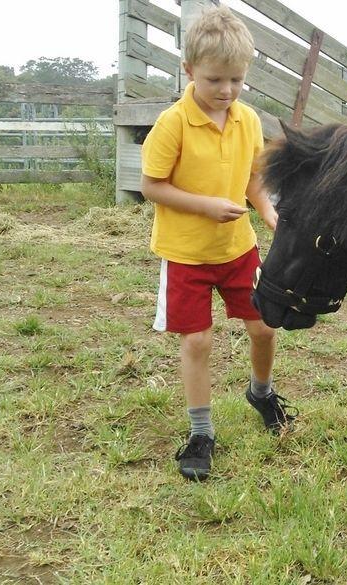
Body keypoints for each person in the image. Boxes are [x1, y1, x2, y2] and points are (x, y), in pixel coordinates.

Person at [140, 6, 296, 481]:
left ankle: (262, 393)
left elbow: (252, 181)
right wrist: (205, 205)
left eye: (236, 79)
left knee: (265, 327)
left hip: (237, 250)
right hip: (185, 254)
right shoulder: (172, 124)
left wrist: (269, 214)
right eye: (214, 80)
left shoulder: (247, 120)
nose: (225, 90)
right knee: (198, 341)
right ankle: (200, 432)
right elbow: (151, 185)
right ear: (188, 71)